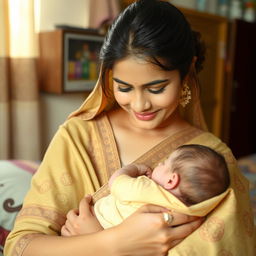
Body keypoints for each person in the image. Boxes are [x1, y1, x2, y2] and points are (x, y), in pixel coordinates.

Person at [4, 0, 255, 255]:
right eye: (124, 88)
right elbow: (21, 248)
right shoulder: (78, 136)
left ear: (187, 71)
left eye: (156, 88)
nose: (139, 105)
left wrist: (96, 238)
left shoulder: (214, 159)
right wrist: (111, 243)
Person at [61, 144, 231, 233]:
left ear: (172, 180)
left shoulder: (149, 188)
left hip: (98, 224)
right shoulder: (185, 213)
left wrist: (133, 169)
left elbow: (117, 183)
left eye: (164, 163)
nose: (159, 164)